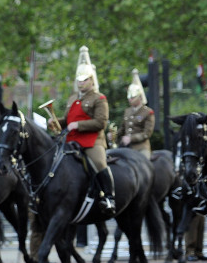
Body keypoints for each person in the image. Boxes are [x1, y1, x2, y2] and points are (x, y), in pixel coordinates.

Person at [55, 45, 115, 217]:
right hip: (71, 139)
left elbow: (100, 123)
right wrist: (55, 122)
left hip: (92, 141)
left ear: (91, 80)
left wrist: (79, 126)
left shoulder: (99, 98)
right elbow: (67, 121)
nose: (81, 83)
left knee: (99, 163)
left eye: (84, 79)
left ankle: (109, 197)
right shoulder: (72, 98)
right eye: (79, 80)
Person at [119, 68, 154, 159]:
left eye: (133, 97)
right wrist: (114, 135)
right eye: (129, 97)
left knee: (145, 166)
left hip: (141, 148)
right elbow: (123, 129)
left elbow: (146, 133)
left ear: (140, 97)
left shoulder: (148, 112)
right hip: (126, 147)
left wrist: (131, 138)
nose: (130, 99)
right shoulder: (127, 111)